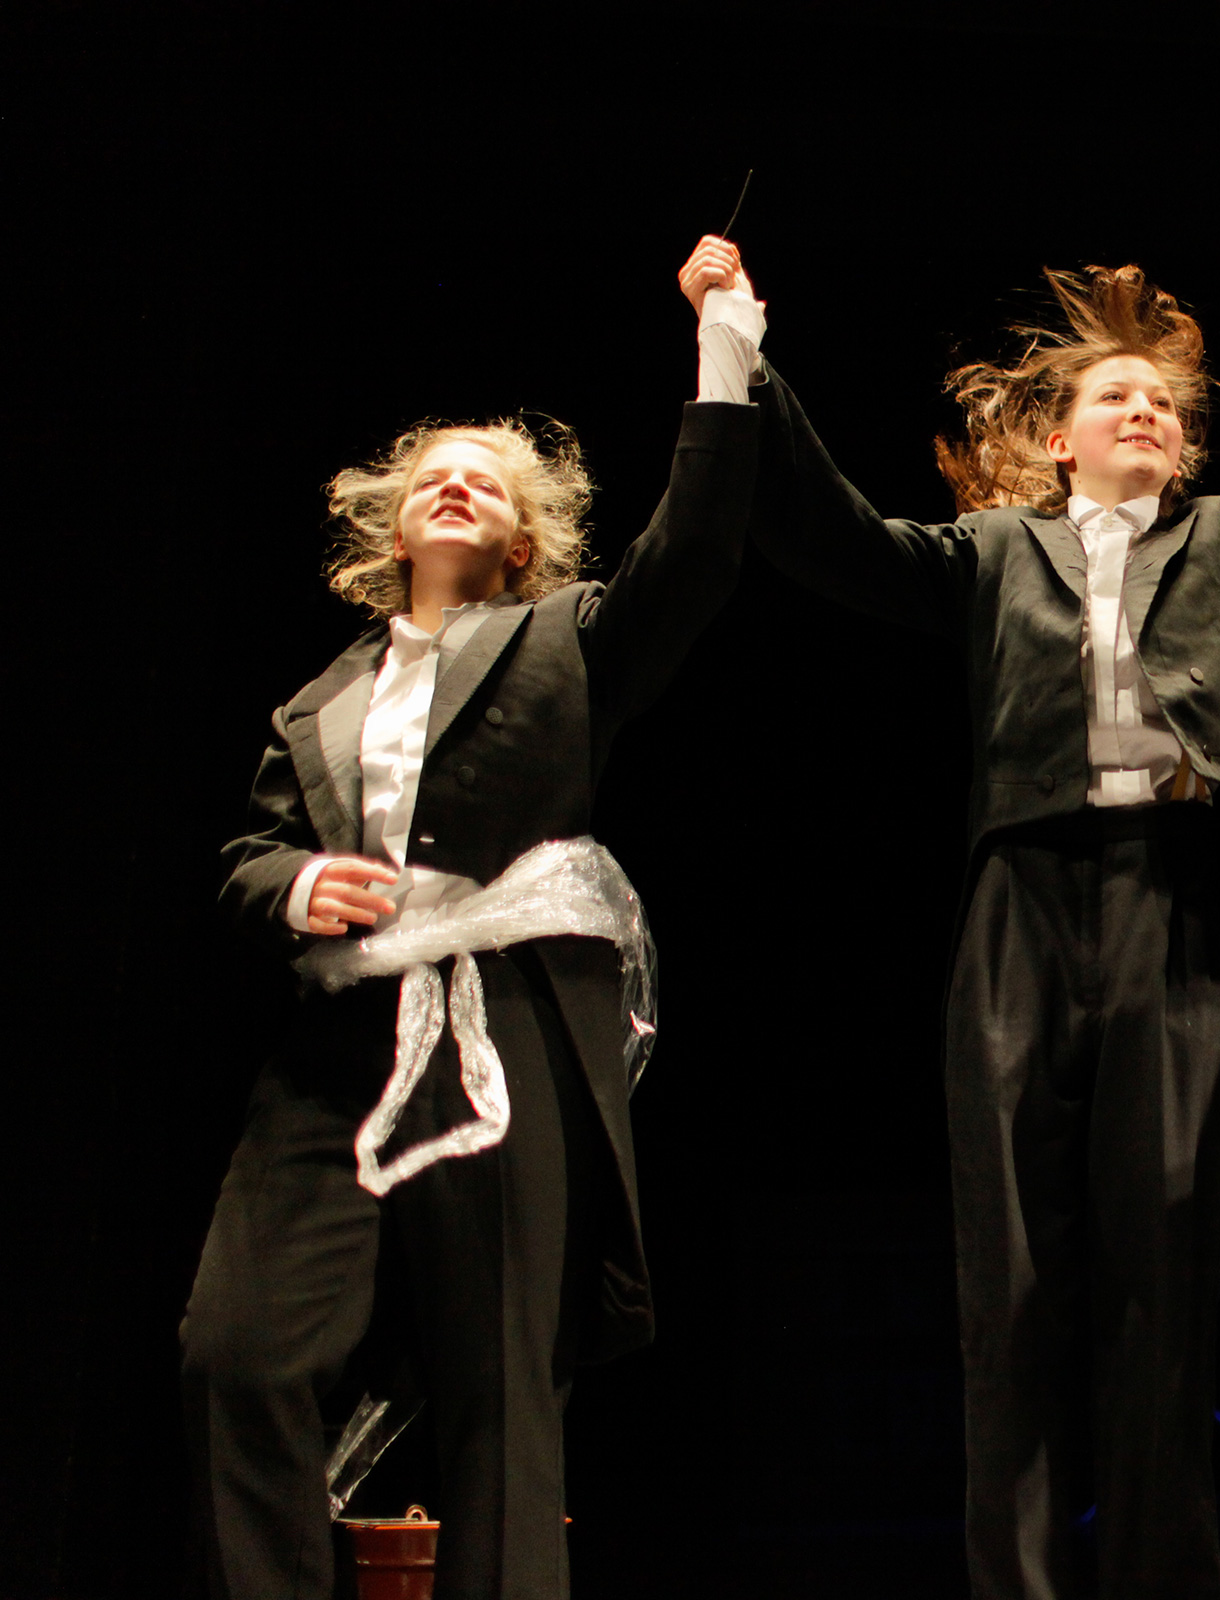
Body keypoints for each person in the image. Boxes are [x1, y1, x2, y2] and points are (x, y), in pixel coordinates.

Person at [740, 129, 1220, 1600]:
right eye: (1113, 397)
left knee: (1164, 1265)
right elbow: (828, 536)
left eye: (1164, 404)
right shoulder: (991, 555)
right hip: (1022, 901)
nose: (1144, 411)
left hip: (1173, 900)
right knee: (1007, 1276)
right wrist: (737, 354)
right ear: (1057, 440)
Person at [181, 237, 768, 1599]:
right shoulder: (316, 702)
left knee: (502, 1391)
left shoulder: (568, 638)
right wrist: (295, 887)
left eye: (489, 482)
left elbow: (697, 550)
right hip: (335, 1053)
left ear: (521, 539)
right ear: (393, 530)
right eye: (434, 476)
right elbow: (245, 858)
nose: (458, 484)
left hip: (502, 1029)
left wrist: (724, 345)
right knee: (236, 1354)